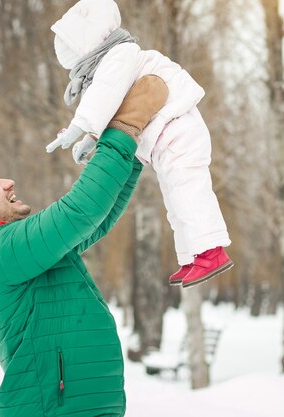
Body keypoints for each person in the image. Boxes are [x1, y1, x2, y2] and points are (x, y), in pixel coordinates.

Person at [0, 76, 168, 417]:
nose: (8, 182)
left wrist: (132, 155)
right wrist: (124, 126)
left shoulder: (11, 251)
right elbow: (79, 212)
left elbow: (96, 220)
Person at [46, 0, 233, 288]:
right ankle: (191, 256)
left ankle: (211, 251)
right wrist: (91, 138)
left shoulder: (121, 54)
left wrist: (79, 126)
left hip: (178, 129)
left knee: (187, 190)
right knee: (174, 199)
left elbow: (105, 96)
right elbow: (112, 104)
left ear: (89, 46)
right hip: (167, 137)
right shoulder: (113, 63)